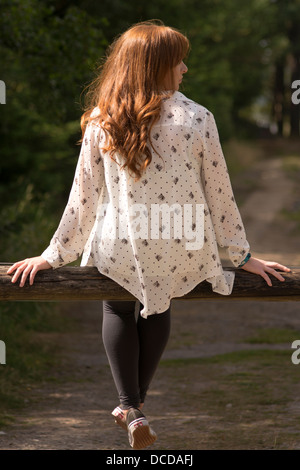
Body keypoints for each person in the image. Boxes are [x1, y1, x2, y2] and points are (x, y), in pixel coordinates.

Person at [7, 20, 291, 450]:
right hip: (182, 243)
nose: (185, 70)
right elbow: (220, 194)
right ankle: (132, 408)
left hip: (120, 242)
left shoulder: (102, 119)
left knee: (118, 311)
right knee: (158, 307)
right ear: (157, 65)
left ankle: (129, 405)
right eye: (179, 61)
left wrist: (53, 254)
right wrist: (242, 255)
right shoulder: (198, 117)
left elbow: (83, 198)